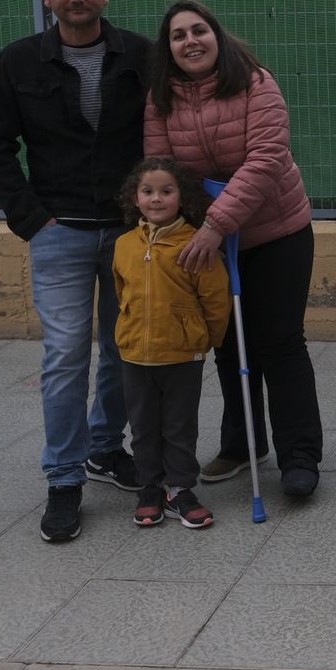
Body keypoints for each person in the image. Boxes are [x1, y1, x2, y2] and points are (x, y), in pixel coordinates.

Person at [0, 0, 152, 543]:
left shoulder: (141, 56)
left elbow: (167, 130)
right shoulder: (18, 62)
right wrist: (32, 219)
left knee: (123, 348)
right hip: (60, 231)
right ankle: (64, 476)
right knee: (65, 355)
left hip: (130, 231)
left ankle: (106, 449)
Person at [142, 0, 324, 498]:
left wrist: (217, 224)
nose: (190, 41)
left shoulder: (254, 82)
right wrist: (194, 226)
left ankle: (300, 456)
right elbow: (163, 169)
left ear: (217, 35)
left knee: (281, 342)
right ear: (169, 48)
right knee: (227, 343)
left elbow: (267, 157)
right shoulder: (160, 99)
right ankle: (243, 444)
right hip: (209, 236)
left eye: (199, 30)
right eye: (178, 35)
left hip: (277, 229)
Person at [112, 156, 232, 529]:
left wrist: (205, 339)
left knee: (179, 426)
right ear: (135, 198)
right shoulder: (124, 245)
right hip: (136, 356)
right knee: (143, 425)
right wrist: (128, 331)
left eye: (166, 191)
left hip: (182, 355)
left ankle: (180, 488)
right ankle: (149, 488)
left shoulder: (196, 245)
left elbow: (215, 298)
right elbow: (121, 292)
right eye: (147, 191)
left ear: (182, 197)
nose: (156, 199)